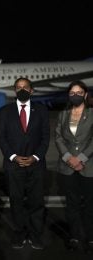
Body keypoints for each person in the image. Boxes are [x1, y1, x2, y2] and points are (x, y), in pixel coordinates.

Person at [0, 77, 50, 250]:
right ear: (15, 90)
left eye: (25, 87)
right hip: (14, 165)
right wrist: (13, 156)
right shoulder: (5, 111)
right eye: (18, 87)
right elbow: (2, 138)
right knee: (16, 202)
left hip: (36, 165)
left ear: (31, 90)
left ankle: (35, 236)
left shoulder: (41, 110)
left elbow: (45, 137)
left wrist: (36, 156)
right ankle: (19, 234)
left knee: (37, 202)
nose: (22, 90)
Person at [55, 81, 93, 253]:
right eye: (72, 93)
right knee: (72, 204)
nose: (75, 95)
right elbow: (58, 138)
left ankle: (90, 237)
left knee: (90, 204)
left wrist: (81, 158)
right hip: (68, 166)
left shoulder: (92, 113)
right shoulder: (63, 114)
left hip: (88, 165)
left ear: (85, 94)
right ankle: (75, 237)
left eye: (79, 92)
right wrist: (69, 158)